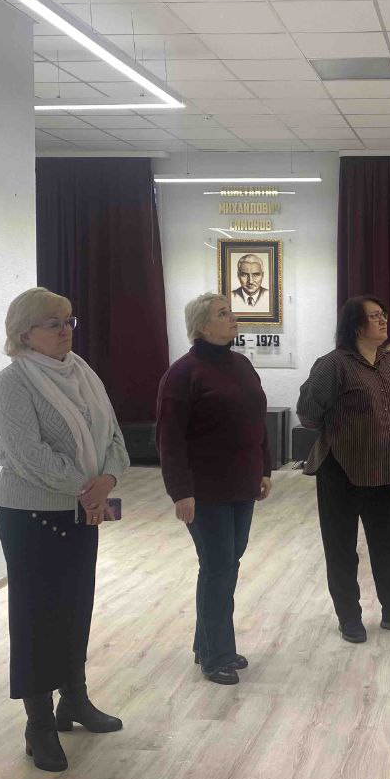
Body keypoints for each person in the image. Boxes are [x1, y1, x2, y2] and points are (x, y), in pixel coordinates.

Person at [0, 287, 130, 773]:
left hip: (81, 509)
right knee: (36, 617)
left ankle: (74, 700)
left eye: (69, 320)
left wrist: (108, 479)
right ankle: (39, 724)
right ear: (24, 332)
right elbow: (27, 454)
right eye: (53, 323)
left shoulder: (82, 371)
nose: (65, 329)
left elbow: (113, 435)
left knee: (76, 607)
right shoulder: (14, 382)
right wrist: (86, 487)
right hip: (32, 515)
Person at [297, 296, 390, 643]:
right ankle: (349, 617)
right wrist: (342, 430)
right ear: (356, 326)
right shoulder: (333, 364)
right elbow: (308, 412)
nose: (384, 320)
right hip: (341, 468)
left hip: (385, 469)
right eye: (375, 316)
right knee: (341, 548)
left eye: (384, 314)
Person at [156, 294, 272, 686]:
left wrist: (265, 468)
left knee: (227, 564)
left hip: (242, 484)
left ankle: (205, 642)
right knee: (219, 566)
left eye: (231, 311)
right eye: (223, 313)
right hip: (205, 490)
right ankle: (215, 655)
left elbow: (257, 420)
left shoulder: (241, 365)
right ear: (203, 326)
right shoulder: (182, 374)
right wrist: (180, 491)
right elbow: (169, 439)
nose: (233, 317)